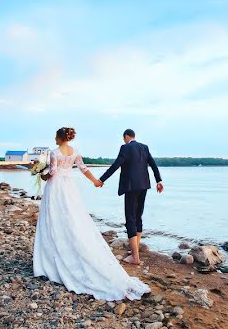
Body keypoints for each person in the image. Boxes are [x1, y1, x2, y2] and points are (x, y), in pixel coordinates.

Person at [32, 127, 149, 300]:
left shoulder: (54, 153)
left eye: (56, 136)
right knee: (72, 218)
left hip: (56, 188)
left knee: (53, 219)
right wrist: (96, 181)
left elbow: (53, 172)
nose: (55, 139)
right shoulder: (75, 152)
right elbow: (83, 168)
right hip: (69, 188)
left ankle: (50, 260)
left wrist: (40, 174)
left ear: (59, 137)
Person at [97, 129, 163, 265]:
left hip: (131, 187)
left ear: (126, 137)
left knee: (130, 218)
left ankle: (135, 257)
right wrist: (159, 181)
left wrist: (102, 179)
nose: (124, 141)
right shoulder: (144, 147)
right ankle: (136, 250)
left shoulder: (125, 147)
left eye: (124, 139)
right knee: (138, 216)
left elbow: (116, 165)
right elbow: (153, 164)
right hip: (144, 185)